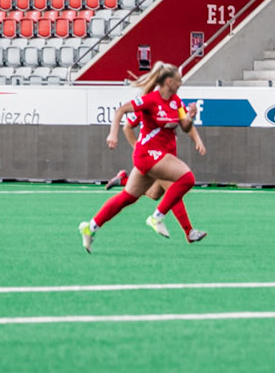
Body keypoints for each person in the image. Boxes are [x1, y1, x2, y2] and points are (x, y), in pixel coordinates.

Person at [80, 62, 206, 251]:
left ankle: (91, 228)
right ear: (169, 81)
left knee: (129, 198)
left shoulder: (176, 102)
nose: (180, 84)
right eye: (178, 81)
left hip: (160, 157)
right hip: (147, 155)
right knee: (186, 178)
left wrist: (190, 117)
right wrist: (112, 133)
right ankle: (159, 219)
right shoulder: (150, 100)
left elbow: (185, 126)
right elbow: (121, 111)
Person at [104, 66, 207, 213]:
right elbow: (127, 126)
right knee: (173, 189)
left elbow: (185, 122)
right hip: (153, 157)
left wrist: (197, 139)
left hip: (166, 155)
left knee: (154, 194)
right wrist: (137, 147)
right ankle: (188, 231)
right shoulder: (148, 104)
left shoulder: (174, 102)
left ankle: (123, 180)